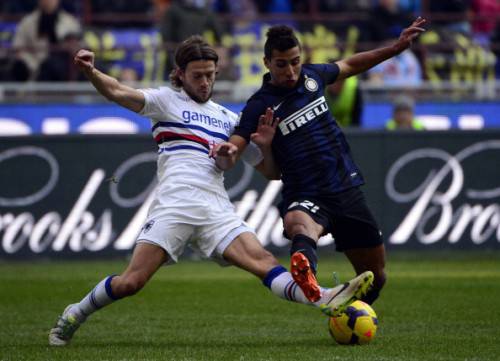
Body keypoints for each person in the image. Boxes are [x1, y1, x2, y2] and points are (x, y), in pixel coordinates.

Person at [48, 36, 374, 346]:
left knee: (262, 260)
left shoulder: (230, 119)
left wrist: (264, 146)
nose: (205, 82)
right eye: (197, 75)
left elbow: (271, 173)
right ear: (180, 74)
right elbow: (118, 91)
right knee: (131, 282)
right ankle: (76, 312)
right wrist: (91, 71)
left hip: (215, 207)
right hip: (175, 204)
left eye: (210, 75)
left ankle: (322, 295)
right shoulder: (165, 101)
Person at [212, 18, 427, 304]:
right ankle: (306, 273)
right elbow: (237, 140)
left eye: (295, 61)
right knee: (299, 224)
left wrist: (394, 49)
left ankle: (345, 312)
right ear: (266, 62)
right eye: (281, 64)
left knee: (376, 275)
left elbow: (351, 64)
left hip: (345, 186)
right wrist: (230, 150)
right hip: (305, 190)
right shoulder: (259, 105)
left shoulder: (313, 77)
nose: (290, 71)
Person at [11, 0, 81, 81]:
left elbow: (77, 49)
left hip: (62, 71)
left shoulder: (70, 22)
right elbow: (18, 48)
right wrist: (32, 64)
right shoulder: (27, 22)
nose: (47, 1)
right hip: (33, 68)